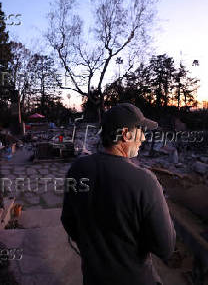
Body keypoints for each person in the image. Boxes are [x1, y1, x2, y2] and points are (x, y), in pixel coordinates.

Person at [61, 103, 176, 285]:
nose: (144, 138)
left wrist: (93, 248)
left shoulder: (77, 169)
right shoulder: (145, 182)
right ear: (125, 134)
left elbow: (68, 221)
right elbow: (165, 248)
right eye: (141, 131)